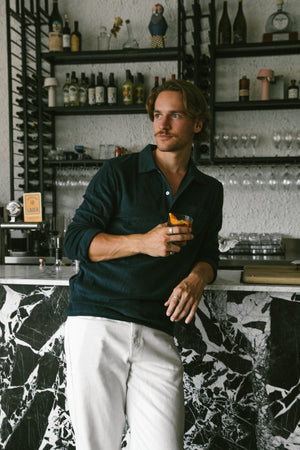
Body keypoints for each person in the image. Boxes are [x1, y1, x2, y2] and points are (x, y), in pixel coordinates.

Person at [64, 79, 223, 450]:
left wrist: (198, 277)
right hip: (98, 323)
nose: (162, 125)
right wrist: (143, 242)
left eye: (176, 115)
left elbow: (209, 253)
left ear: (197, 124)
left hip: (157, 330)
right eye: (157, 115)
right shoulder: (118, 172)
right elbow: (76, 240)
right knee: (96, 445)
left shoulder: (209, 190)